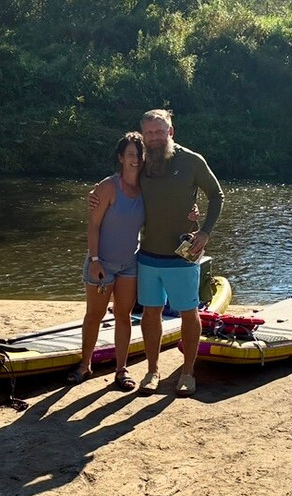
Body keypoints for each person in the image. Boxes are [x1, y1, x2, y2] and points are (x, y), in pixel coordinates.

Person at [94, 109, 224, 396]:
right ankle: (152, 370)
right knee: (151, 313)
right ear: (143, 135)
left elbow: (216, 195)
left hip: (183, 255)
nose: (153, 137)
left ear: (171, 131)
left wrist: (204, 231)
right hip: (149, 255)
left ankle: (188, 372)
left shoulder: (191, 161)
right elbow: (122, 182)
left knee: (189, 313)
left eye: (159, 131)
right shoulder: (143, 164)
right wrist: (99, 194)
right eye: (148, 132)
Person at [69, 132, 145, 391]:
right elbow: (93, 225)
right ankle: (85, 365)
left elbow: (170, 206)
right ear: (121, 158)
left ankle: (121, 370)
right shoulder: (108, 187)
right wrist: (95, 260)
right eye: (131, 154)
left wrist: (192, 214)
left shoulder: (146, 187)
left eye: (139, 154)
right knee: (95, 315)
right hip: (102, 263)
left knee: (124, 316)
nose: (136, 159)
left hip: (130, 264)